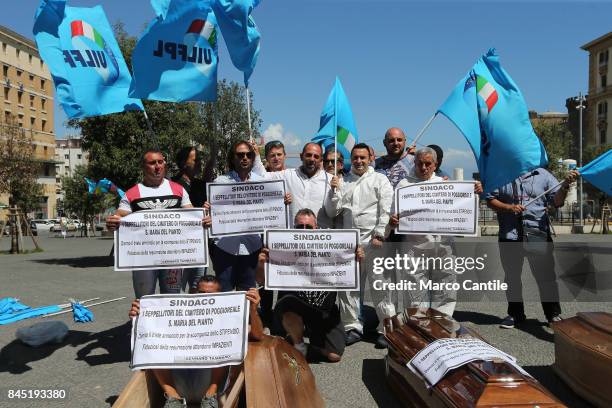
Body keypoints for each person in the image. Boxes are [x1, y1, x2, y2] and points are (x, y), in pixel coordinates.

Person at [128, 275, 264, 408]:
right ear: (194, 293)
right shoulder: (177, 316)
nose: (205, 297)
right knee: (155, 342)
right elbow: (148, 337)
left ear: (221, 297)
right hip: (176, 384)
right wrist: (140, 318)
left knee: (224, 341)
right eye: (201, 292)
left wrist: (253, 310)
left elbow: (257, 335)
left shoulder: (227, 320)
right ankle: (173, 399)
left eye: (210, 294)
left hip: (211, 388)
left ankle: (209, 397)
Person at [256, 209, 364, 362]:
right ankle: (298, 345)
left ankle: (294, 345)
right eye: (300, 227)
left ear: (316, 228)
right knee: (289, 307)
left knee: (334, 356)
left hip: (322, 309)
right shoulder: (281, 248)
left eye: (309, 227)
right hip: (293, 307)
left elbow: (350, 278)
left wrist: (357, 261)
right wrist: (261, 263)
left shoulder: (331, 249)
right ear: (294, 228)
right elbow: (261, 281)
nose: (305, 230)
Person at [388, 147, 483, 317]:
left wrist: (474, 192)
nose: (423, 167)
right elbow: (394, 216)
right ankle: (418, 327)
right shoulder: (404, 185)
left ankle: (442, 325)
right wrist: (393, 220)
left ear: (435, 164)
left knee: (445, 287)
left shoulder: (445, 184)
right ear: (414, 163)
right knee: (414, 290)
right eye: (420, 164)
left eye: (428, 164)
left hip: (443, 246)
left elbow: (462, 207)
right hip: (414, 247)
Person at [486, 168, 579, 329]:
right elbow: (490, 199)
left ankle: (553, 315)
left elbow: (557, 202)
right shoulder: (501, 173)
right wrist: (509, 208)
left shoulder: (544, 175)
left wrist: (565, 186)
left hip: (538, 234)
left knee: (546, 278)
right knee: (512, 278)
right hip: (510, 235)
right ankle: (515, 314)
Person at [327, 143, 394, 348]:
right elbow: (332, 212)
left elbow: (386, 208)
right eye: (355, 157)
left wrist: (380, 234)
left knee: (380, 286)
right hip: (349, 244)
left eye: (362, 158)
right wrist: (334, 191)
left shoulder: (380, 180)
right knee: (349, 289)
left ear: (370, 158)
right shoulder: (344, 181)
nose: (358, 161)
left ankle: (386, 328)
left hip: (373, 242)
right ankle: (353, 327)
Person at [205, 140, 291, 292]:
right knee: (225, 297)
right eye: (240, 155)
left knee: (249, 297)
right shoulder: (220, 183)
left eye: (249, 155)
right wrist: (208, 213)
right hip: (225, 249)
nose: (245, 158)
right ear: (233, 158)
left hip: (252, 249)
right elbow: (212, 214)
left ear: (253, 158)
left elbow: (272, 211)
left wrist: (282, 201)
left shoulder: (263, 182)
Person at [106, 148, 193, 298]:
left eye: (160, 162)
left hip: (172, 258)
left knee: (172, 300)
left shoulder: (178, 190)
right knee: (144, 300)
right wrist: (112, 223)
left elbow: (192, 217)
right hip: (143, 259)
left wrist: (204, 219)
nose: (158, 166)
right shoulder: (132, 193)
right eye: (152, 163)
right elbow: (119, 218)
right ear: (143, 166)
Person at [255, 142, 333, 229]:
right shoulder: (288, 175)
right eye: (308, 155)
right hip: (293, 238)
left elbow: (334, 212)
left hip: (320, 239)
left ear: (321, 160)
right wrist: (256, 156)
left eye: (316, 156)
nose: (312, 159)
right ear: (301, 156)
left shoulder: (330, 180)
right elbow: (262, 177)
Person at [172, 146, 213, 293]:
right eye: (196, 160)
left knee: (197, 285)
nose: (199, 163)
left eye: (200, 160)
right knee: (177, 287)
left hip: (199, 246)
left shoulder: (200, 185)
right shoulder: (172, 186)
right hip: (179, 247)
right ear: (184, 163)